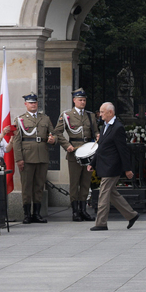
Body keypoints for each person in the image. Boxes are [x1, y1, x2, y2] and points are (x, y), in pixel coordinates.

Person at [87, 102, 139, 231]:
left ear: (110, 112)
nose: (100, 114)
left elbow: (123, 150)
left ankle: (101, 223)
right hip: (105, 166)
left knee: (103, 195)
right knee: (112, 194)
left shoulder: (117, 127)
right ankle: (131, 215)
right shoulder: (105, 126)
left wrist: (127, 169)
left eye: (102, 112)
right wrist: (92, 163)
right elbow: (101, 148)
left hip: (112, 167)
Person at [11, 93, 56, 225]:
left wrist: (53, 140)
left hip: (42, 155)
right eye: (30, 103)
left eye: (35, 102)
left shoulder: (45, 119)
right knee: (27, 186)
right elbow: (17, 141)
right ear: (26, 104)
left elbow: (53, 134)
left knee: (39, 186)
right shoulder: (20, 120)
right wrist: (19, 159)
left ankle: (36, 213)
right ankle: (27, 214)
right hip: (27, 156)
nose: (33, 105)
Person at [54, 89, 97, 222]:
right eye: (80, 100)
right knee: (74, 183)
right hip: (74, 152)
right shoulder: (67, 115)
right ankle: (75, 211)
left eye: (84, 100)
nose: (82, 102)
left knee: (85, 182)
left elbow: (95, 131)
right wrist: (67, 146)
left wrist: (97, 136)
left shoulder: (90, 115)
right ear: (74, 100)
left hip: (88, 151)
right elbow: (58, 132)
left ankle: (84, 210)